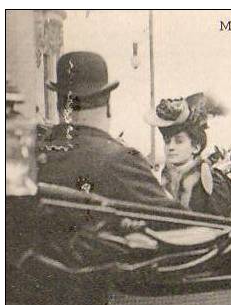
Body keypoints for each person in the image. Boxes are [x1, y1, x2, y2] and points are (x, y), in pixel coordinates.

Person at [37, 51, 179, 209]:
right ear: (108, 107)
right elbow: (184, 225)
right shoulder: (121, 161)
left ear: (59, 105)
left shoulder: (33, 154)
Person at [145, 93, 231, 215]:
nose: (170, 147)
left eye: (179, 141)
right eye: (167, 141)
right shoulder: (166, 174)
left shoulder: (211, 179)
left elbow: (218, 223)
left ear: (196, 147)